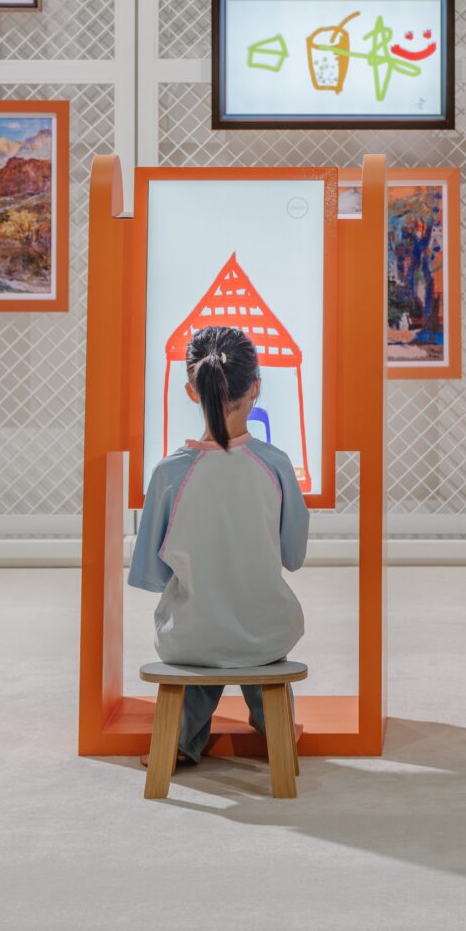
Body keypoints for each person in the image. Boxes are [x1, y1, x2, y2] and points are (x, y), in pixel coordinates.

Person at [127, 325, 310, 769]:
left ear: (192, 391)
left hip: (191, 639)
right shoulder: (276, 465)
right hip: (265, 635)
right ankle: (275, 727)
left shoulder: (168, 473)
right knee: (257, 630)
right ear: (256, 388)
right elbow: (294, 555)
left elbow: (152, 574)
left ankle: (181, 738)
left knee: (200, 628)